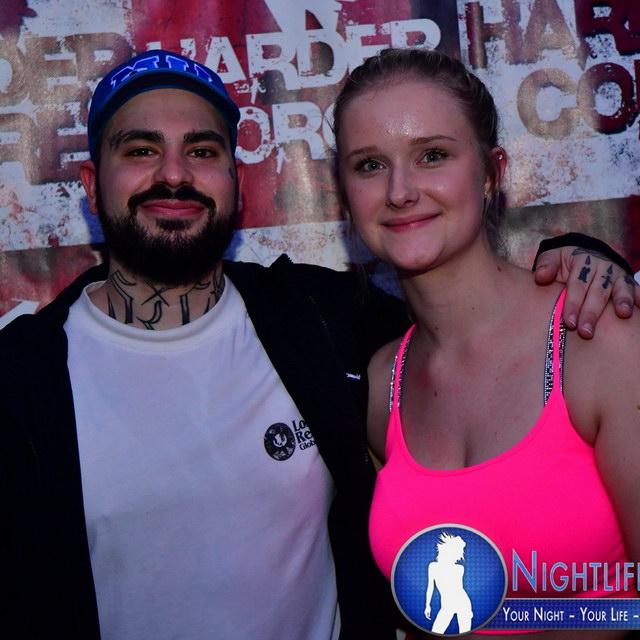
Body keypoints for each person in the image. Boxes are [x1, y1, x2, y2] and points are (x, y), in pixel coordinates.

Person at [0, 49, 636, 640]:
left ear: (236, 181)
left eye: (201, 150)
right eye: (141, 150)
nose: (173, 174)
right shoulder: (20, 381)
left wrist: (583, 258)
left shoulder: (316, 324)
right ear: (91, 183)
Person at [333, 48, 640, 638]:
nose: (400, 191)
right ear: (345, 193)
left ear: (492, 171)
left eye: (432, 155)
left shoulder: (595, 338)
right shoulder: (382, 384)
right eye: (369, 165)